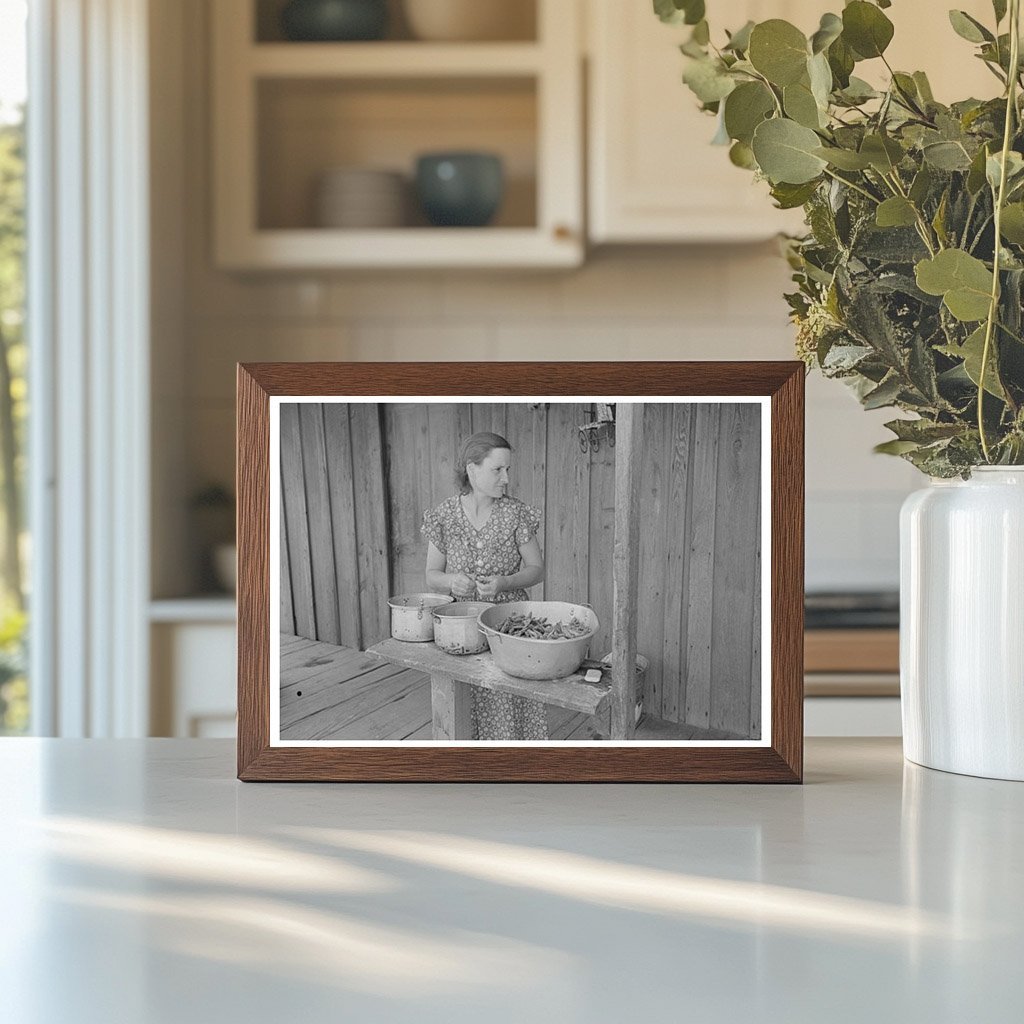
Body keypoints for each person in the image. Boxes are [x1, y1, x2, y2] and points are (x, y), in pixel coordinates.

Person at [421, 431, 548, 740]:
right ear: (471, 469)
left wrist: (506, 581)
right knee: (460, 701)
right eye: (497, 469)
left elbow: (537, 570)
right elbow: (431, 575)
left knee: (506, 702)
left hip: (508, 629)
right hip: (459, 628)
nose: (506, 478)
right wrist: (452, 581)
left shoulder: (516, 513)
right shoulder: (444, 516)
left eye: (508, 470)